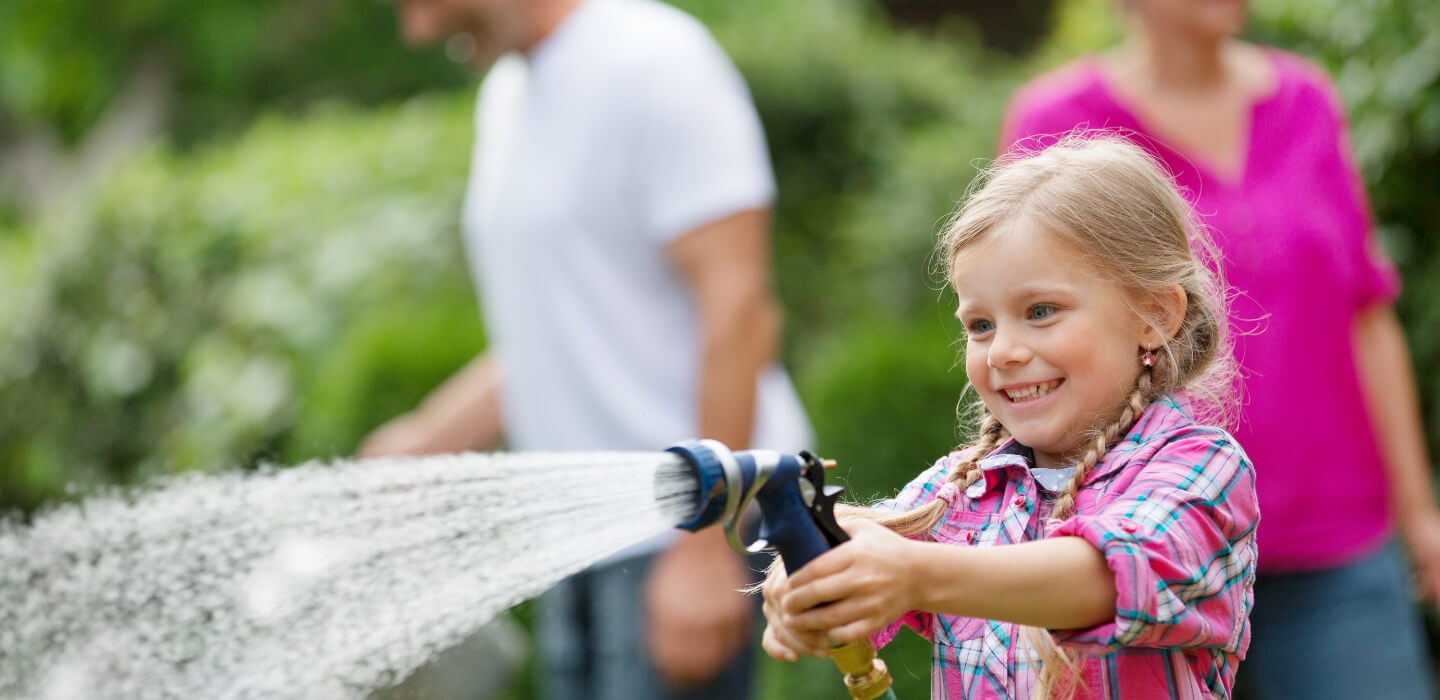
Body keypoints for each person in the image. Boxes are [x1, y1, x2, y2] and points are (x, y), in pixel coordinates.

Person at [996, 2, 1440, 698]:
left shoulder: (1307, 100)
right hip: (1133, 553)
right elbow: (1027, 335)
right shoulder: (1059, 119)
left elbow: (1366, 314)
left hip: (1332, 545)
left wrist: (1420, 510)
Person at [361, 0, 813, 698]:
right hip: (579, 536)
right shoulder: (508, 94)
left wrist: (702, 545)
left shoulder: (655, 62)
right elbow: (562, 335)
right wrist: (422, 443)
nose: (417, 30)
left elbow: (739, 310)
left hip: (679, 531)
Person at [760, 136, 1258, 698]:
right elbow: (866, 561)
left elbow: (1108, 578)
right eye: (980, 325)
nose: (1001, 352)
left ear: (1155, 314)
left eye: (1040, 311)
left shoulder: (1203, 468)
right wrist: (810, 578)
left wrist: (912, 574)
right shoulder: (965, 490)